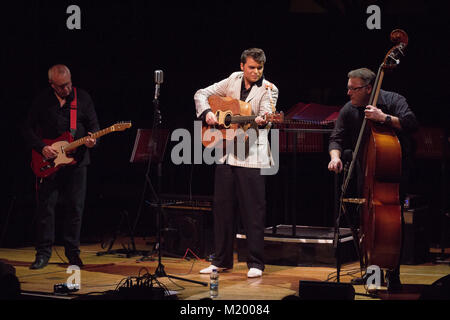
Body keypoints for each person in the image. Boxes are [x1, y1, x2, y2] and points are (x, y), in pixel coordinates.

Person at [328, 68, 419, 290]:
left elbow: (411, 124)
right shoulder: (349, 110)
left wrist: (384, 118)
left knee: (391, 224)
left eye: (353, 88)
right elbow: (336, 138)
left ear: (368, 88)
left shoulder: (393, 100)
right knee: (365, 223)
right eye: (348, 87)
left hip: (394, 172)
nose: (348, 92)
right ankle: (371, 273)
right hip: (365, 173)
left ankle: (393, 273)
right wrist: (335, 157)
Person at [194, 48, 278, 278]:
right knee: (222, 209)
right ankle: (220, 261)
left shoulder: (269, 89)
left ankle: (256, 263)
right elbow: (201, 94)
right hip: (225, 152)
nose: (256, 72)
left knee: (253, 211)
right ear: (242, 66)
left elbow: (267, 119)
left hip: (251, 156)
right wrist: (208, 113)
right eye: (251, 67)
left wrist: (262, 122)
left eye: (259, 68)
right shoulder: (233, 79)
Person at [22, 64, 100, 270]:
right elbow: (27, 129)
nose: (66, 89)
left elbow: (94, 127)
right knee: (46, 209)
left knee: (75, 208)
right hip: (49, 162)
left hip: (78, 162)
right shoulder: (42, 100)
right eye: (61, 86)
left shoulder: (83, 98)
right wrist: (42, 148)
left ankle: (73, 253)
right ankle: (43, 253)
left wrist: (93, 140)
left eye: (68, 84)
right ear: (52, 85)